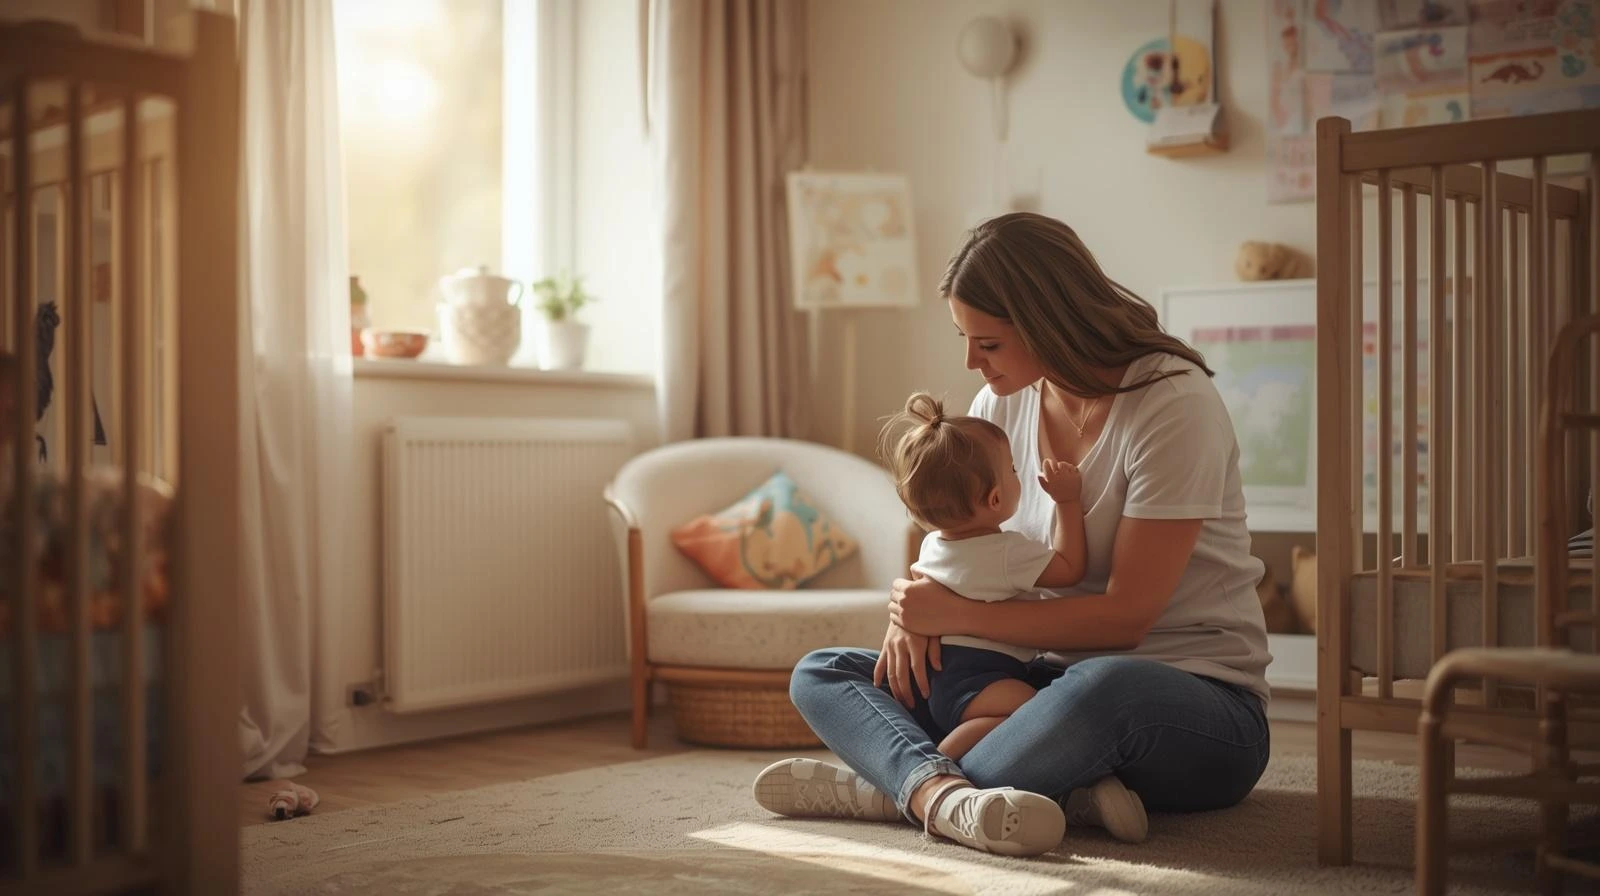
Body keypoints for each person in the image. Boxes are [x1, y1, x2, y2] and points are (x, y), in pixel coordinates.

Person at [751, 212, 1271, 858]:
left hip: (1190, 702)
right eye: (965, 338)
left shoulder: (1171, 404)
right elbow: (966, 543)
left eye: (989, 344)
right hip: (1031, 682)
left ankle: (897, 789)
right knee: (823, 672)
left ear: (1050, 322)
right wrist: (912, 610)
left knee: (1109, 685)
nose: (971, 362)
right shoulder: (999, 405)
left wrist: (957, 611)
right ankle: (993, 791)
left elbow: (1127, 619)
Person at [877, 391, 1086, 762]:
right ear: (994, 499)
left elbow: (918, 588)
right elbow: (1071, 568)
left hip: (933, 675)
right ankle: (936, 765)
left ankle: (916, 762)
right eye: (1013, 471)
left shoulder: (932, 545)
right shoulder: (1006, 552)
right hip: (978, 679)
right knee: (1037, 712)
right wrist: (1067, 502)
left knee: (824, 667)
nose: (1017, 475)